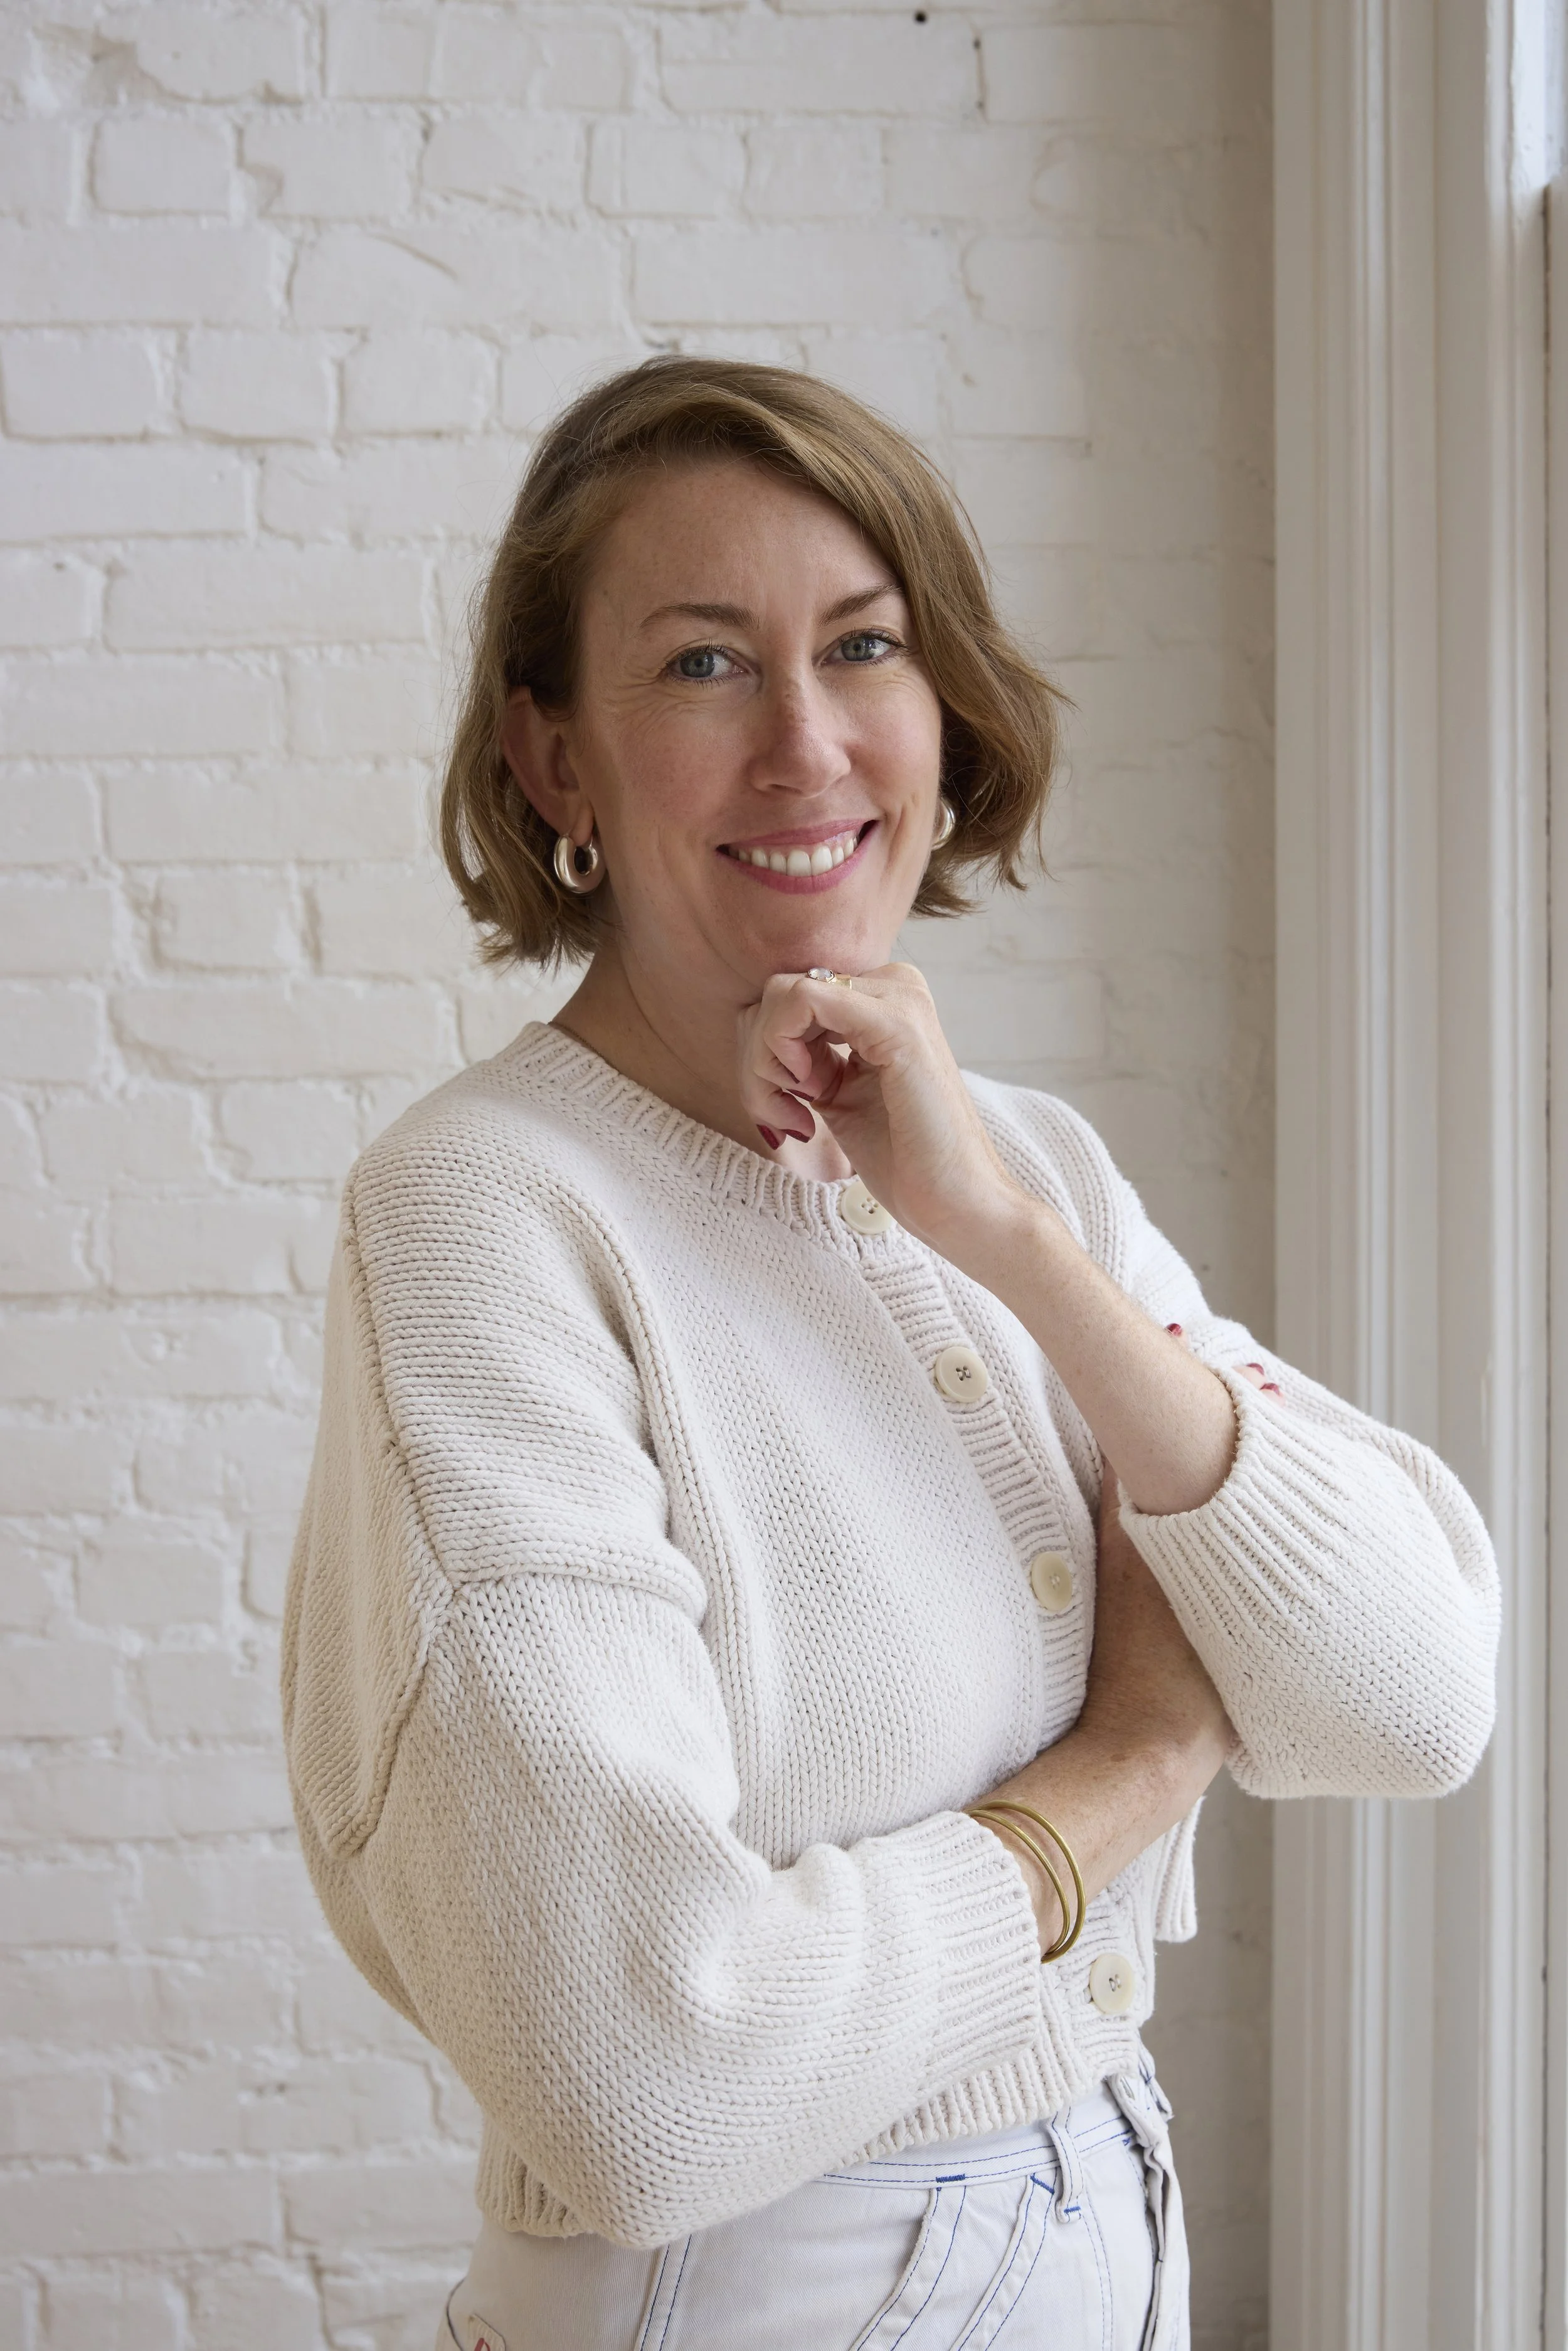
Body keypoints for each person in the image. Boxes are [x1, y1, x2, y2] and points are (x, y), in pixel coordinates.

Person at [281, 357, 1500, 2351]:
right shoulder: (487, 1218)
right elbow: (646, 2079)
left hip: (1097, 2223)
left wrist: (1010, 1241)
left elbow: (1416, 1697)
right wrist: (1119, 1775)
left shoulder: (1016, 1165)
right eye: (698, 666)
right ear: (552, 762)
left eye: (863, 644)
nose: (807, 740)